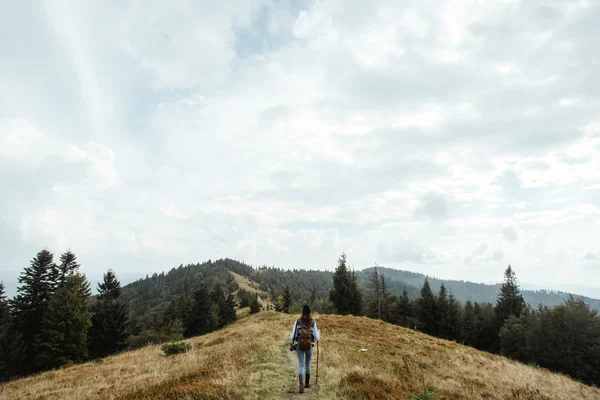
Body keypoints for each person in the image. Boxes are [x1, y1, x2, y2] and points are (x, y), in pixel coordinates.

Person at [290, 304, 320, 393]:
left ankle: (301, 386)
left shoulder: (297, 322)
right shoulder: (312, 323)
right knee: (308, 363)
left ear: (302, 312)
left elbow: (292, 335)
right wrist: (318, 333)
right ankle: (307, 383)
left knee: (301, 364)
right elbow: (317, 337)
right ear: (310, 313)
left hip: (299, 346)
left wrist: (292, 342)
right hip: (310, 346)